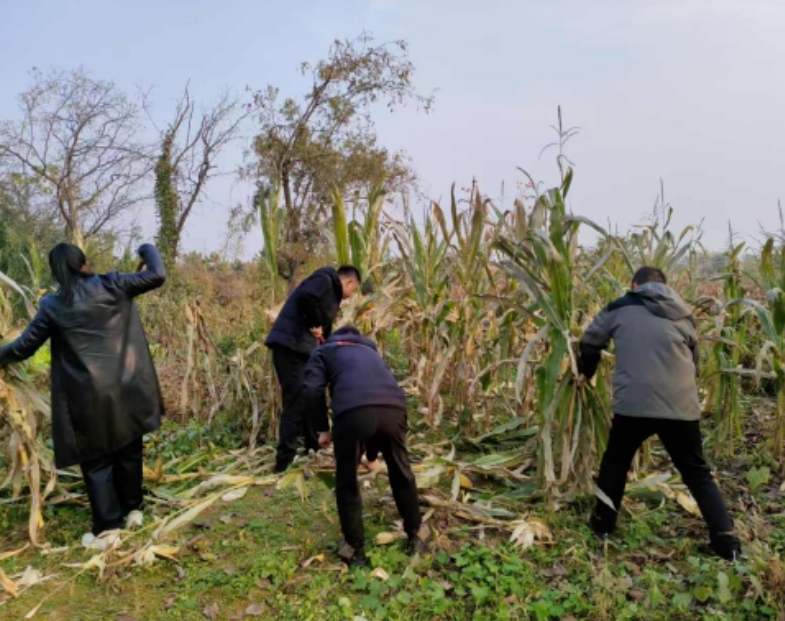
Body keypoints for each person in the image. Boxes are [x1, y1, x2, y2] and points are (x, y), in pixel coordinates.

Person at [0, 243, 166, 546]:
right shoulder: (113, 283)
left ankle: (108, 528)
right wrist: (146, 248)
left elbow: (24, 347)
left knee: (97, 460)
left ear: (57, 272)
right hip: (128, 386)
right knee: (129, 448)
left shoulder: (53, 305)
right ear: (84, 263)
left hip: (88, 396)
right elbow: (157, 274)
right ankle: (133, 510)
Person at [579, 266, 741, 560]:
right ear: (665, 286)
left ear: (635, 284)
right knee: (697, 473)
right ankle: (727, 543)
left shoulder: (621, 306)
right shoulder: (683, 313)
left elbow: (590, 342)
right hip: (681, 407)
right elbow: (694, 360)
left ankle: (603, 525)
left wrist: (585, 373)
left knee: (615, 462)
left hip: (634, 406)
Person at [304, 325, 423, 567]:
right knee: (402, 473)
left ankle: (356, 552)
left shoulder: (325, 351)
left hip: (352, 411)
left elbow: (312, 389)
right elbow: (375, 402)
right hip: (394, 409)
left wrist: (322, 429)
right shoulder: (372, 353)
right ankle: (415, 536)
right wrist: (371, 455)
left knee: (347, 481)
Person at [265, 266, 361, 473]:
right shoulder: (326, 279)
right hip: (289, 347)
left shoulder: (330, 295)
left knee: (309, 394)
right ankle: (283, 461)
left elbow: (324, 329)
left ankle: (313, 445)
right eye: (353, 291)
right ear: (349, 282)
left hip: (299, 349)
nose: (351, 296)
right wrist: (315, 323)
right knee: (296, 400)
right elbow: (307, 297)